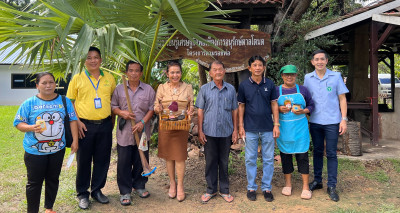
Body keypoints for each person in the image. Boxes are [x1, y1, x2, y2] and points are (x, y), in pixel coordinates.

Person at [14, 72, 79, 213]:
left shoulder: (64, 100)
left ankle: (49, 208)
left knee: (53, 179)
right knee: (34, 183)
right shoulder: (29, 103)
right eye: (44, 83)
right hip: (34, 151)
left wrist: (75, 140)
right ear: (37, 85)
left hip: (57, 150)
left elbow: (73, 120)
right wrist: (31, 127)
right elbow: (18, 124)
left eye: (51, 82)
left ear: (55, 84)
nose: (48, 85)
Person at [66, 46, 116, 209]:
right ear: (84, 60)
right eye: (89, 57)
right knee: (84, 160)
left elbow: (113, 101)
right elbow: (69, 102)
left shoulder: (109, 78)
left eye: (96, 57)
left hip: (105, 125)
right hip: (84, 126)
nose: (93, 60)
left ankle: (97, 190)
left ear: (101, 60)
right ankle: (82, 193)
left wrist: (111, 122)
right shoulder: (78, 78)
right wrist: (77, 121)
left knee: (103, 159)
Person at [304, 49, 348, 202]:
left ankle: (331, 185)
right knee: (316, 151)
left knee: (331, 153)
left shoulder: (335, 76)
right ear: (312, 62)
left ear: (327, 61)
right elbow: (306, 99)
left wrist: (343, 119)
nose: (319, 62)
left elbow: (342, 99)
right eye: (316, 59)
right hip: (315, 121)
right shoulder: (307, 78)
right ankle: (317, 181)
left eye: (322, 59)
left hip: (332, 121)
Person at [111, 61, 155, 205]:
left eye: (137, 71)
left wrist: (142, 122)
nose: (134, 73)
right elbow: (113, 106)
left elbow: (152, 108)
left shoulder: (148, 90)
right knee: (123, 162)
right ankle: (125, 191)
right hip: (125, 132)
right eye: (131, 70)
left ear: (141, 73)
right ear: (126, 72)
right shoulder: (119, 89)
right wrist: (121, 112)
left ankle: (140, 185)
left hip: (142, 131)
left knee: (140, 159)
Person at [237, 56, 280, 202]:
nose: (257, 68)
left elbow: (274, 104)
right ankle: (251, 187)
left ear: (264, 67)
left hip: (268, 127)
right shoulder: (244, 86)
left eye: (260, 65)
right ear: (249, 68)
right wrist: (241, 126)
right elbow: (241, 106)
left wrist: (276, 125)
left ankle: (267, 188)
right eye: (254, 65)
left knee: (268, 159)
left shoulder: (270, 83)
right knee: (250, 159)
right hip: (250, 128)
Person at [196, 60, 238, 203]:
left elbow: (234, 110)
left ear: (224, 71)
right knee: (210, 162)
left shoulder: (231, 89)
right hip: (209, 132)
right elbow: (200, 111)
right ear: (210, 73)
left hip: (226, 132)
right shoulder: (204, 89)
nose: (218, 72)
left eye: (220, 69)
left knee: (224, 161)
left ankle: (224, 190)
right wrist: (200, 130)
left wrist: (235, 130)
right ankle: (211, 189)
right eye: (215, 70)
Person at [154, 61, 194, 202]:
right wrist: (158, 108)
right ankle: (172, 184)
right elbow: (155, 106)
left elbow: (191, 106)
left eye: (177, 72)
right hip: (165, 125)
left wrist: (190, 110)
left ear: (181, 73)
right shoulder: (161, 88)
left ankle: (181, 186)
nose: (175, 75)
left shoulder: (188, 87)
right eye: (172, 72)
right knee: (169, 156)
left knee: (180, 156)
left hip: (181, 125)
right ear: (167, 74)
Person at [276, 65, 315, 200]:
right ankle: (288, 184)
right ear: (282, 76)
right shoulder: (277, 91)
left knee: (302, 156)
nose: (289, 77)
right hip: (284, 129)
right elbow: (271, 107)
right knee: (285, 156)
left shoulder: (303, 90)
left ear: (296, 76)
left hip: (300, 129)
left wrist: (303, 111)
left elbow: (311, 105)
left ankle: (305, 187)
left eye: (292, 74)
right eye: (286, 74)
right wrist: (279, 109)